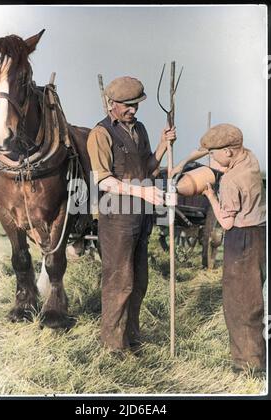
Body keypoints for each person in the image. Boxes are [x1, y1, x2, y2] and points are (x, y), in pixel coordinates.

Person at [87, 76, 176, 354]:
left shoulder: (141, 129)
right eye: (127, 105)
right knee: (119, 282)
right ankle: (113, 347)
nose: (133, 110)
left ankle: (132, 339)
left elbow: (149, 167)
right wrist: (142, 193)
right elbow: (104, 181)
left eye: (136, 104)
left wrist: (162, 144)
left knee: (139, 281)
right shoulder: (100, 134)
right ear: (111, 104)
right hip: (116, 220)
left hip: (140, 217)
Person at [177, 123, 266, 374]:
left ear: (227, 151)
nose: (211, 158)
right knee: (255, 300)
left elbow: (226, 222)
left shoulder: (229, 182)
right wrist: (189, 160)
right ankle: (257, 358)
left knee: (239, 305)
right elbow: (219, 161)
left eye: (214, 153)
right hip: (260, 233)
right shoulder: (249, 159)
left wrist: (210, 196)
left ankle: (247, 366)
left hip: (241, 239)